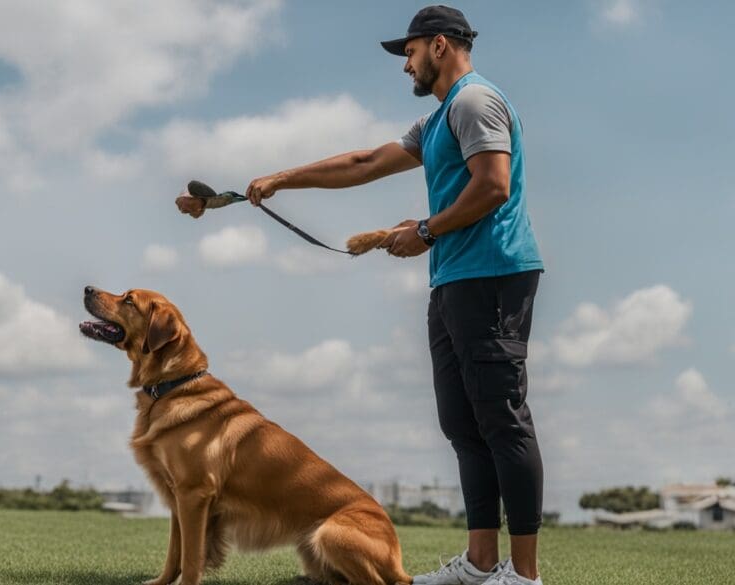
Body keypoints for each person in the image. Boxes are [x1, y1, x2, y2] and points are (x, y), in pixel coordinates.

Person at [177, 6, 545, 585]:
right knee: (462, 424)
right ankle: (479, 565)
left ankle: (522, 576)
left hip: (492, 276)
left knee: (502, 421)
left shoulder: (475, 101)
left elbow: (494, 184)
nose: (406, 65)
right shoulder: (439, 119)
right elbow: (366, 162)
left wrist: (425, 230)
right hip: (452, 280)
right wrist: (281, 179)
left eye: (411, 51)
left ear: (440, 46)